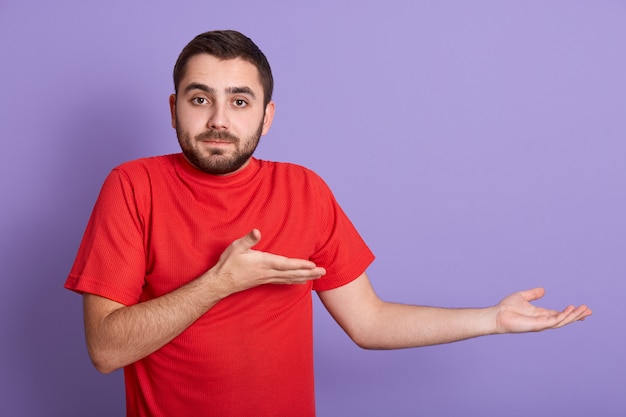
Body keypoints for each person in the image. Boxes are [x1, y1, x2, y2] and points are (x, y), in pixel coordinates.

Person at [65, 30, 592, 417]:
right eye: (200, 99)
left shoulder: (304, 191)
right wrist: (219, 283)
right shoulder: (132, 187)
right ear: (174, 108)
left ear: (267, 116)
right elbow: (107, 351)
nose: (219, 119)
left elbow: (370, 322)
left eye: (239, 101)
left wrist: (491, 319)